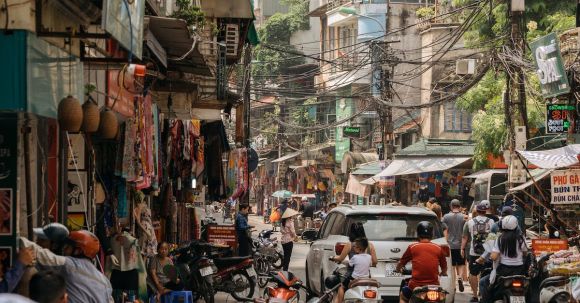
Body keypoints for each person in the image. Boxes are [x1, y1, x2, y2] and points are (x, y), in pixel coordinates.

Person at [19, 230, 114, 303]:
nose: (65, 250)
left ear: (78, 251)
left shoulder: (69, 265)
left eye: (68, 247)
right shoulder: (105, 282)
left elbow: (40, 254)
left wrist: (14, 238)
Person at [396, 222, 448, 303]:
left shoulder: (412, 247)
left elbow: (401, 263)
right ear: (432, 234)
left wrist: (398, 269)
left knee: (403, 296)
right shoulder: (438, 248)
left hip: (415, 286)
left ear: (418, 234)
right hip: (434, 286)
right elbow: (444, 267)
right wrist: (443, 273)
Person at [484, 215, 528, 301]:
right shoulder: (521, 238)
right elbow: (525, 253)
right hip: (519, 270)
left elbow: (494, 256)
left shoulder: (500, 238)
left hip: (504, 270)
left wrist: (490, 257)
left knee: (484, 283)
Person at [462, 201, 494, 303]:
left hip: (474, 253)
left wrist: (462, 249)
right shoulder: (492, 222)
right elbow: (494, 238)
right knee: (486, 273)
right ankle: (483, 293)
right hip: (488, 253)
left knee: (473, 273)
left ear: (477, 211)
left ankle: (475, 295)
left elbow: (465, 237)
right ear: (485, 211)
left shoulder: (470, 222)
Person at [334, 238, 373, 303]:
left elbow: (350, 264)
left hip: (355, 278)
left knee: (341, 286)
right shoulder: (369, 257)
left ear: (358, 248)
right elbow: (371, 264)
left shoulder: (355, 257)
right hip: (366, 278)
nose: (353, 248)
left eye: (354, 246)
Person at [442, 199, 467, 293]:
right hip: (461, 245)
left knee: (451, 265)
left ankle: (453, 284)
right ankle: (460, 277)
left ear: (451, 206)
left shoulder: (446, 217)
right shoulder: (464, 217)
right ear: (459, 206)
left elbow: (443, 227)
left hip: (450, 245)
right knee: (461, 263)